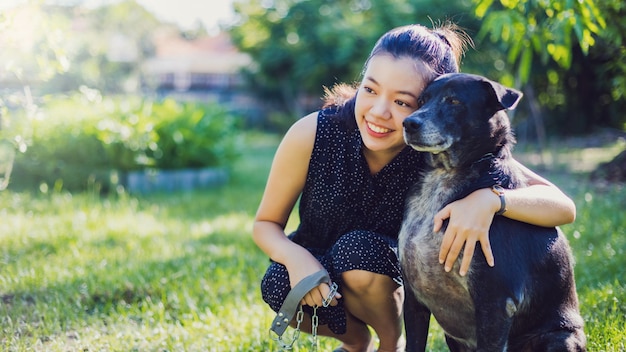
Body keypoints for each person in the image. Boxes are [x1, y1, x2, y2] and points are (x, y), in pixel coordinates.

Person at [253, 22, 576, 352]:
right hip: (322, 268)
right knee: (278, 284)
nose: (380, 112)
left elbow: (562, 206)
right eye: (370, 90)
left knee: (358, 249)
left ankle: (390, 343)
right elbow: (265, 224)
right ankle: (356, 342)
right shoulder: (314, 133)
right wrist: (297, 259)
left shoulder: (433, 148)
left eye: (403, 102)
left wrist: (490, 200)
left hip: (381, 270)